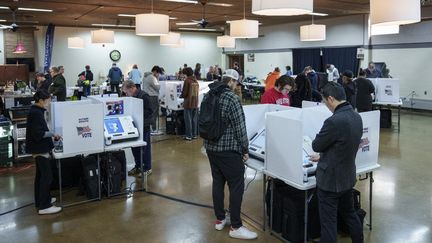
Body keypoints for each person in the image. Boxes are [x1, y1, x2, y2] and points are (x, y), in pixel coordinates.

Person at [204, 69, 257, 240]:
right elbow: (240, 128)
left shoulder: (208, 95)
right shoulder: (232, 98)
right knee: (236, 185)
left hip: (211, 148)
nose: (236, 87)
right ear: (232, 82)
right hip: (229, 150)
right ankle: (236, 226)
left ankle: (220, 219)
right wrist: (245, 149)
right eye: (236, 83)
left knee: (218, 183)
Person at [309, 82, 364, 243]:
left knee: (328, 222)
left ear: (331, 99)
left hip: (330, 181)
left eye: (325, 102)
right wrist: (324, 155)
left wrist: (321, 153)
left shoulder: (334, 121)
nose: (326, 106)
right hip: (347, 178)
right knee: (350, 214)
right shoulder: (356, 116)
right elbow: (345, 144)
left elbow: (316, 145)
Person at [25, 90, 62, 215]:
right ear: (41, 100)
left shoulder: (36, 111)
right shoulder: (36, 113)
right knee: (47, 177)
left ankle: (41, 200)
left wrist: (52, 135)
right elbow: (38, 133)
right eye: (47, 100)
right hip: (39, 149)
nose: (48, 103)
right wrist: (52, 134)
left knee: (40, 176)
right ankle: (44, 206)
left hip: (38, 148)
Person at [123, 81, 155, 177]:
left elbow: (150, 111)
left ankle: (147, 168)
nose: (126, 94)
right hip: (134, 124)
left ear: (132, 88)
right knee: (135, 147)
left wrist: (138, 113)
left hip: (144, 125)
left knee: (145, 148)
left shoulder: (144, 96)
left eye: (126, 92)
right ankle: (138, 166)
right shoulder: (133, 97)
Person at [180, 67, 199, 141]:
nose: (183, 75)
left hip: (188, 103)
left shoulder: (187, 81)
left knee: (188, 120)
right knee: (194, 120)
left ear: (186, 73)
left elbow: (184, 93)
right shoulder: (195, 80)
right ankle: (194, 135)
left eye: (184, 73)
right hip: (195, 102)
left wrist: (181, 96)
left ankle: (188, 135)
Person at [142, 66, 161, 132]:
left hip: (147, 96)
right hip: (153, 97)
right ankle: (154, 128)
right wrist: (157, 78)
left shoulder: (145, 76)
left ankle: (150, 128)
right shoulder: (152, 78)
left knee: (149, 113)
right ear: (155, 72)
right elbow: (158, 87)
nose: (159, 75)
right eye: (158, 73)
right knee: (154, 113)